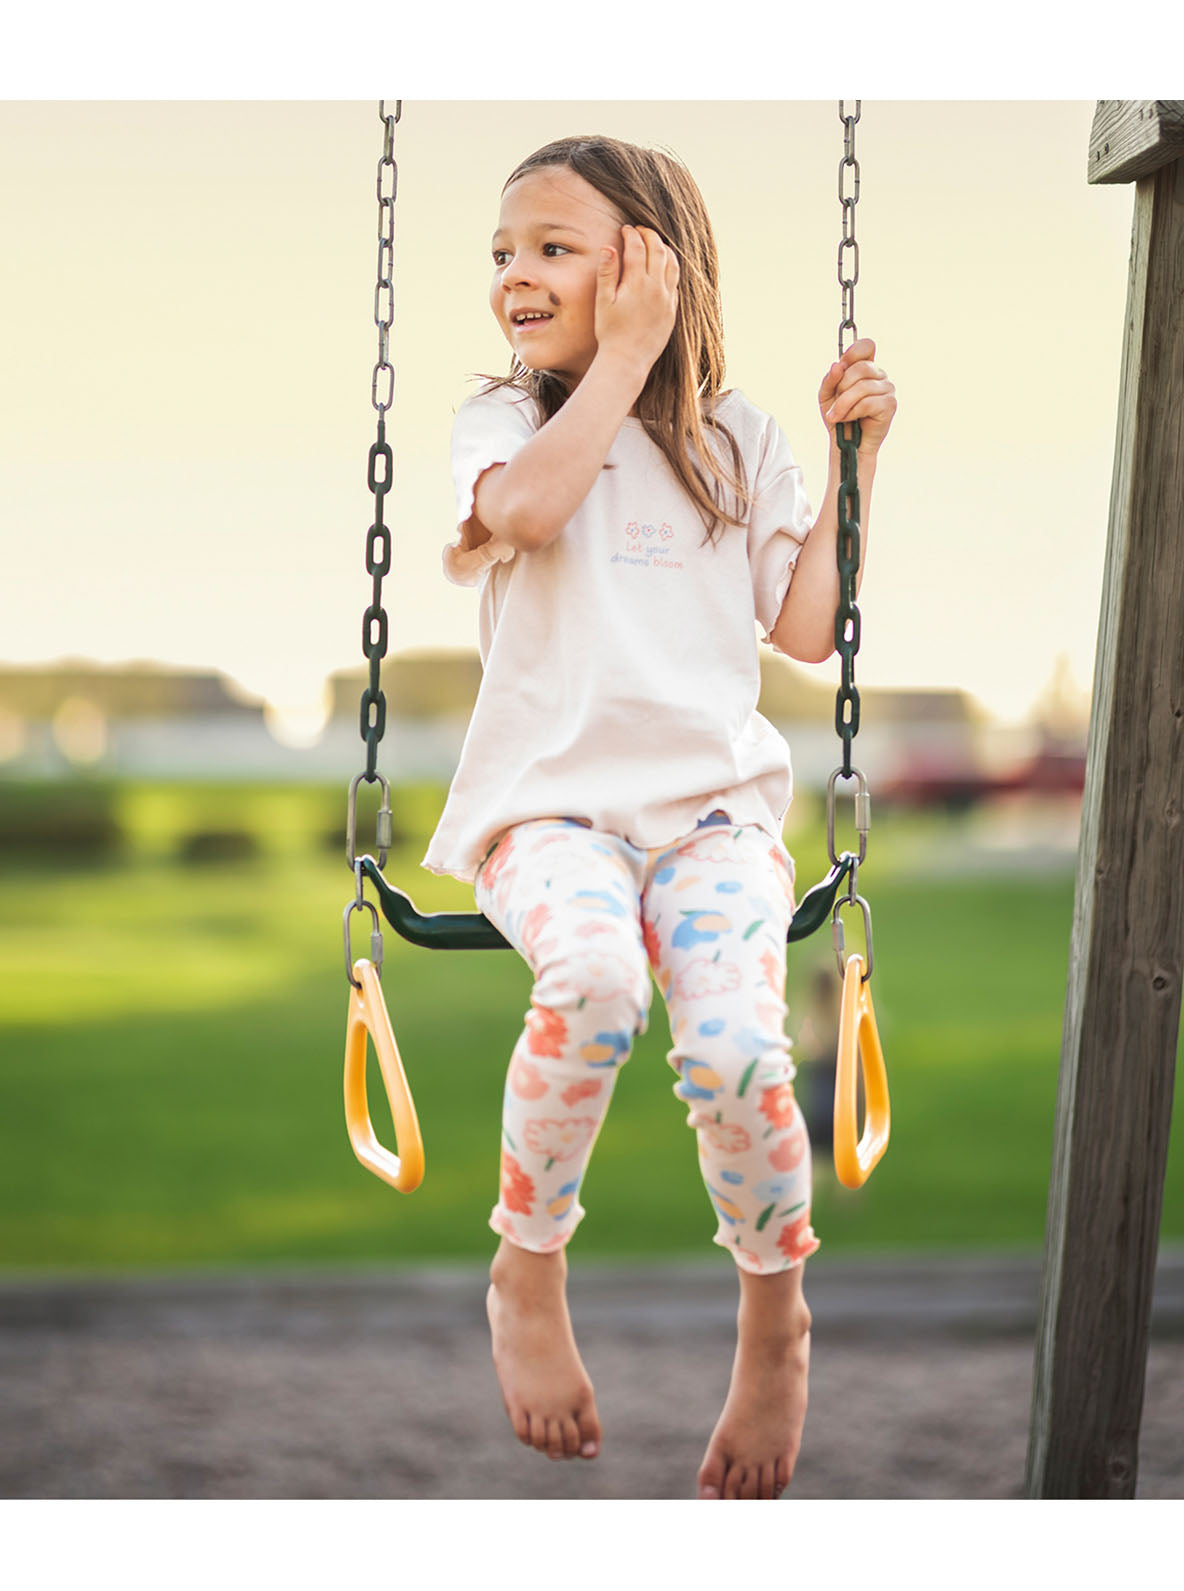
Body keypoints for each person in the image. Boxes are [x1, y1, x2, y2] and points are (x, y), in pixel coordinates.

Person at [421, 134, 897, 1499]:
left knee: (745, 1051)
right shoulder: (504, 425)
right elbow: (524, 509)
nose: (517, 274)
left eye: (553, 248)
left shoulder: (734, 439)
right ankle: (529, 1264)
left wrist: (856, 460)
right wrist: (617, 359)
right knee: (593, 982)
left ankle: (774, 1322)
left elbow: (808, 630)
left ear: (650, 269)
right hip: (549, 814)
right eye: (505, 252)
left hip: (711, 824)